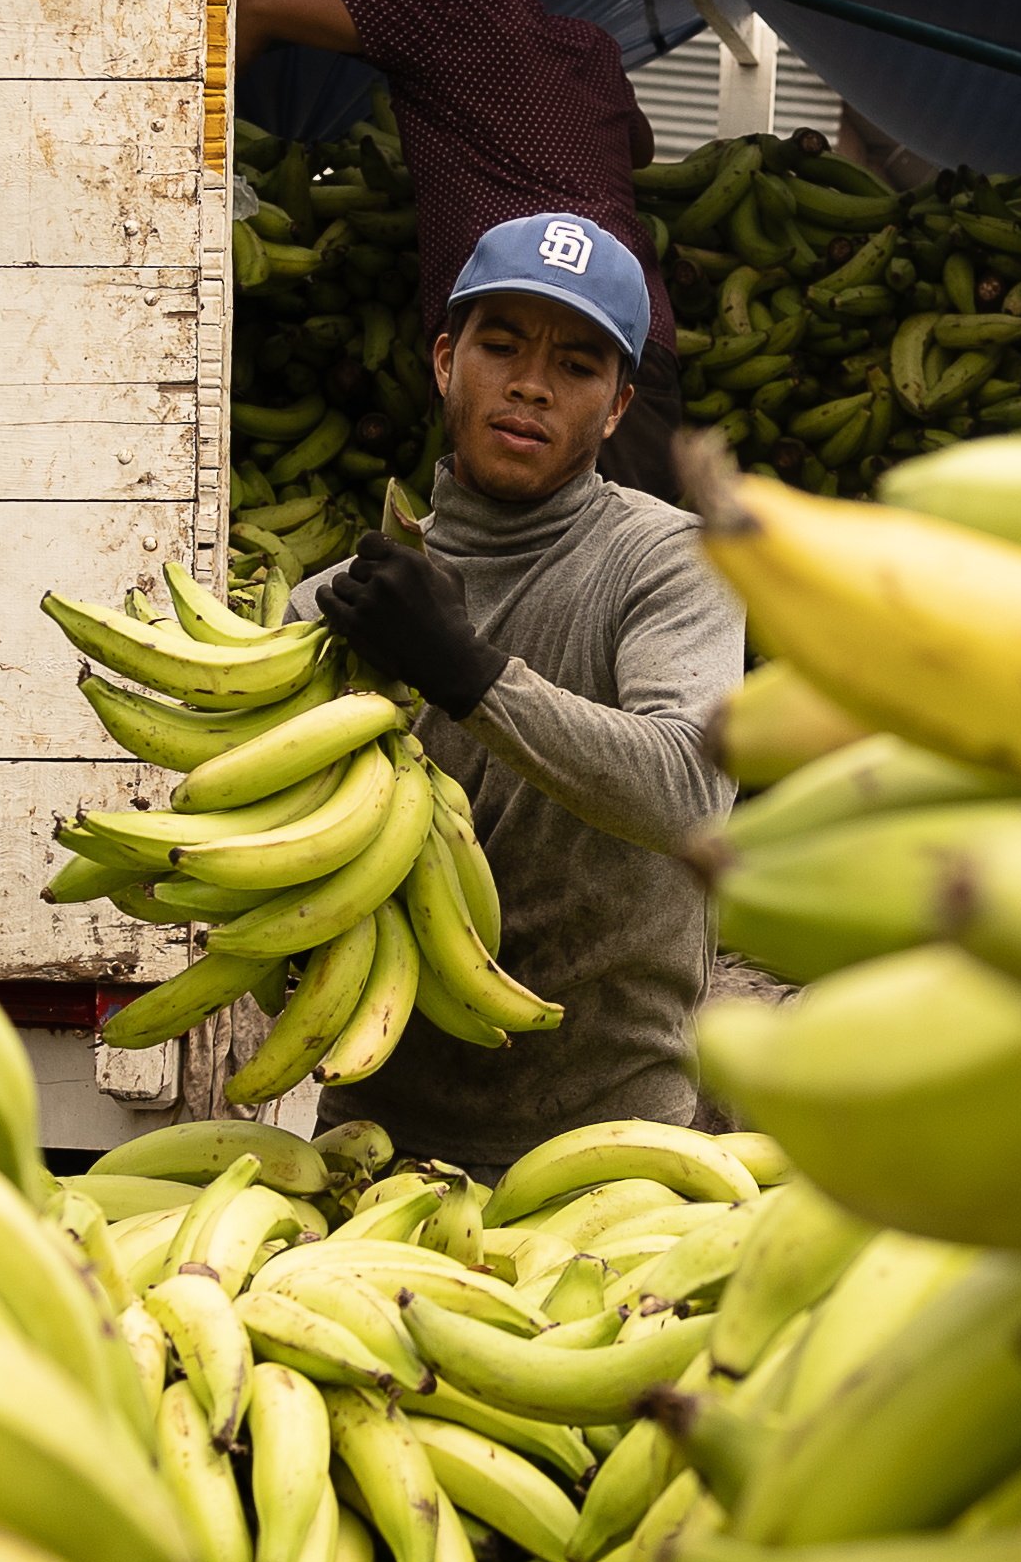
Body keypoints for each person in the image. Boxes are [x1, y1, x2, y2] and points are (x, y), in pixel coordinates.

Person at [298, 212, 739, 1170]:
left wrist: (467, 673)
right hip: (376, 1151)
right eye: (502, 346)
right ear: (447, 361)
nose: (532, 383)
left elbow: (691, 794)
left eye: (578, 366)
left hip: (621, 1146)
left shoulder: (668, 565)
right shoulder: (329, 616)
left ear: (617, 407)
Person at [234, 0, 688, 499]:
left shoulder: (441, 12)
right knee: (632, 562)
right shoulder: (591, 45)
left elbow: (251, 4)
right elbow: (641, 146)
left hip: (507, 335)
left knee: (507, 562)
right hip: (629, 334)